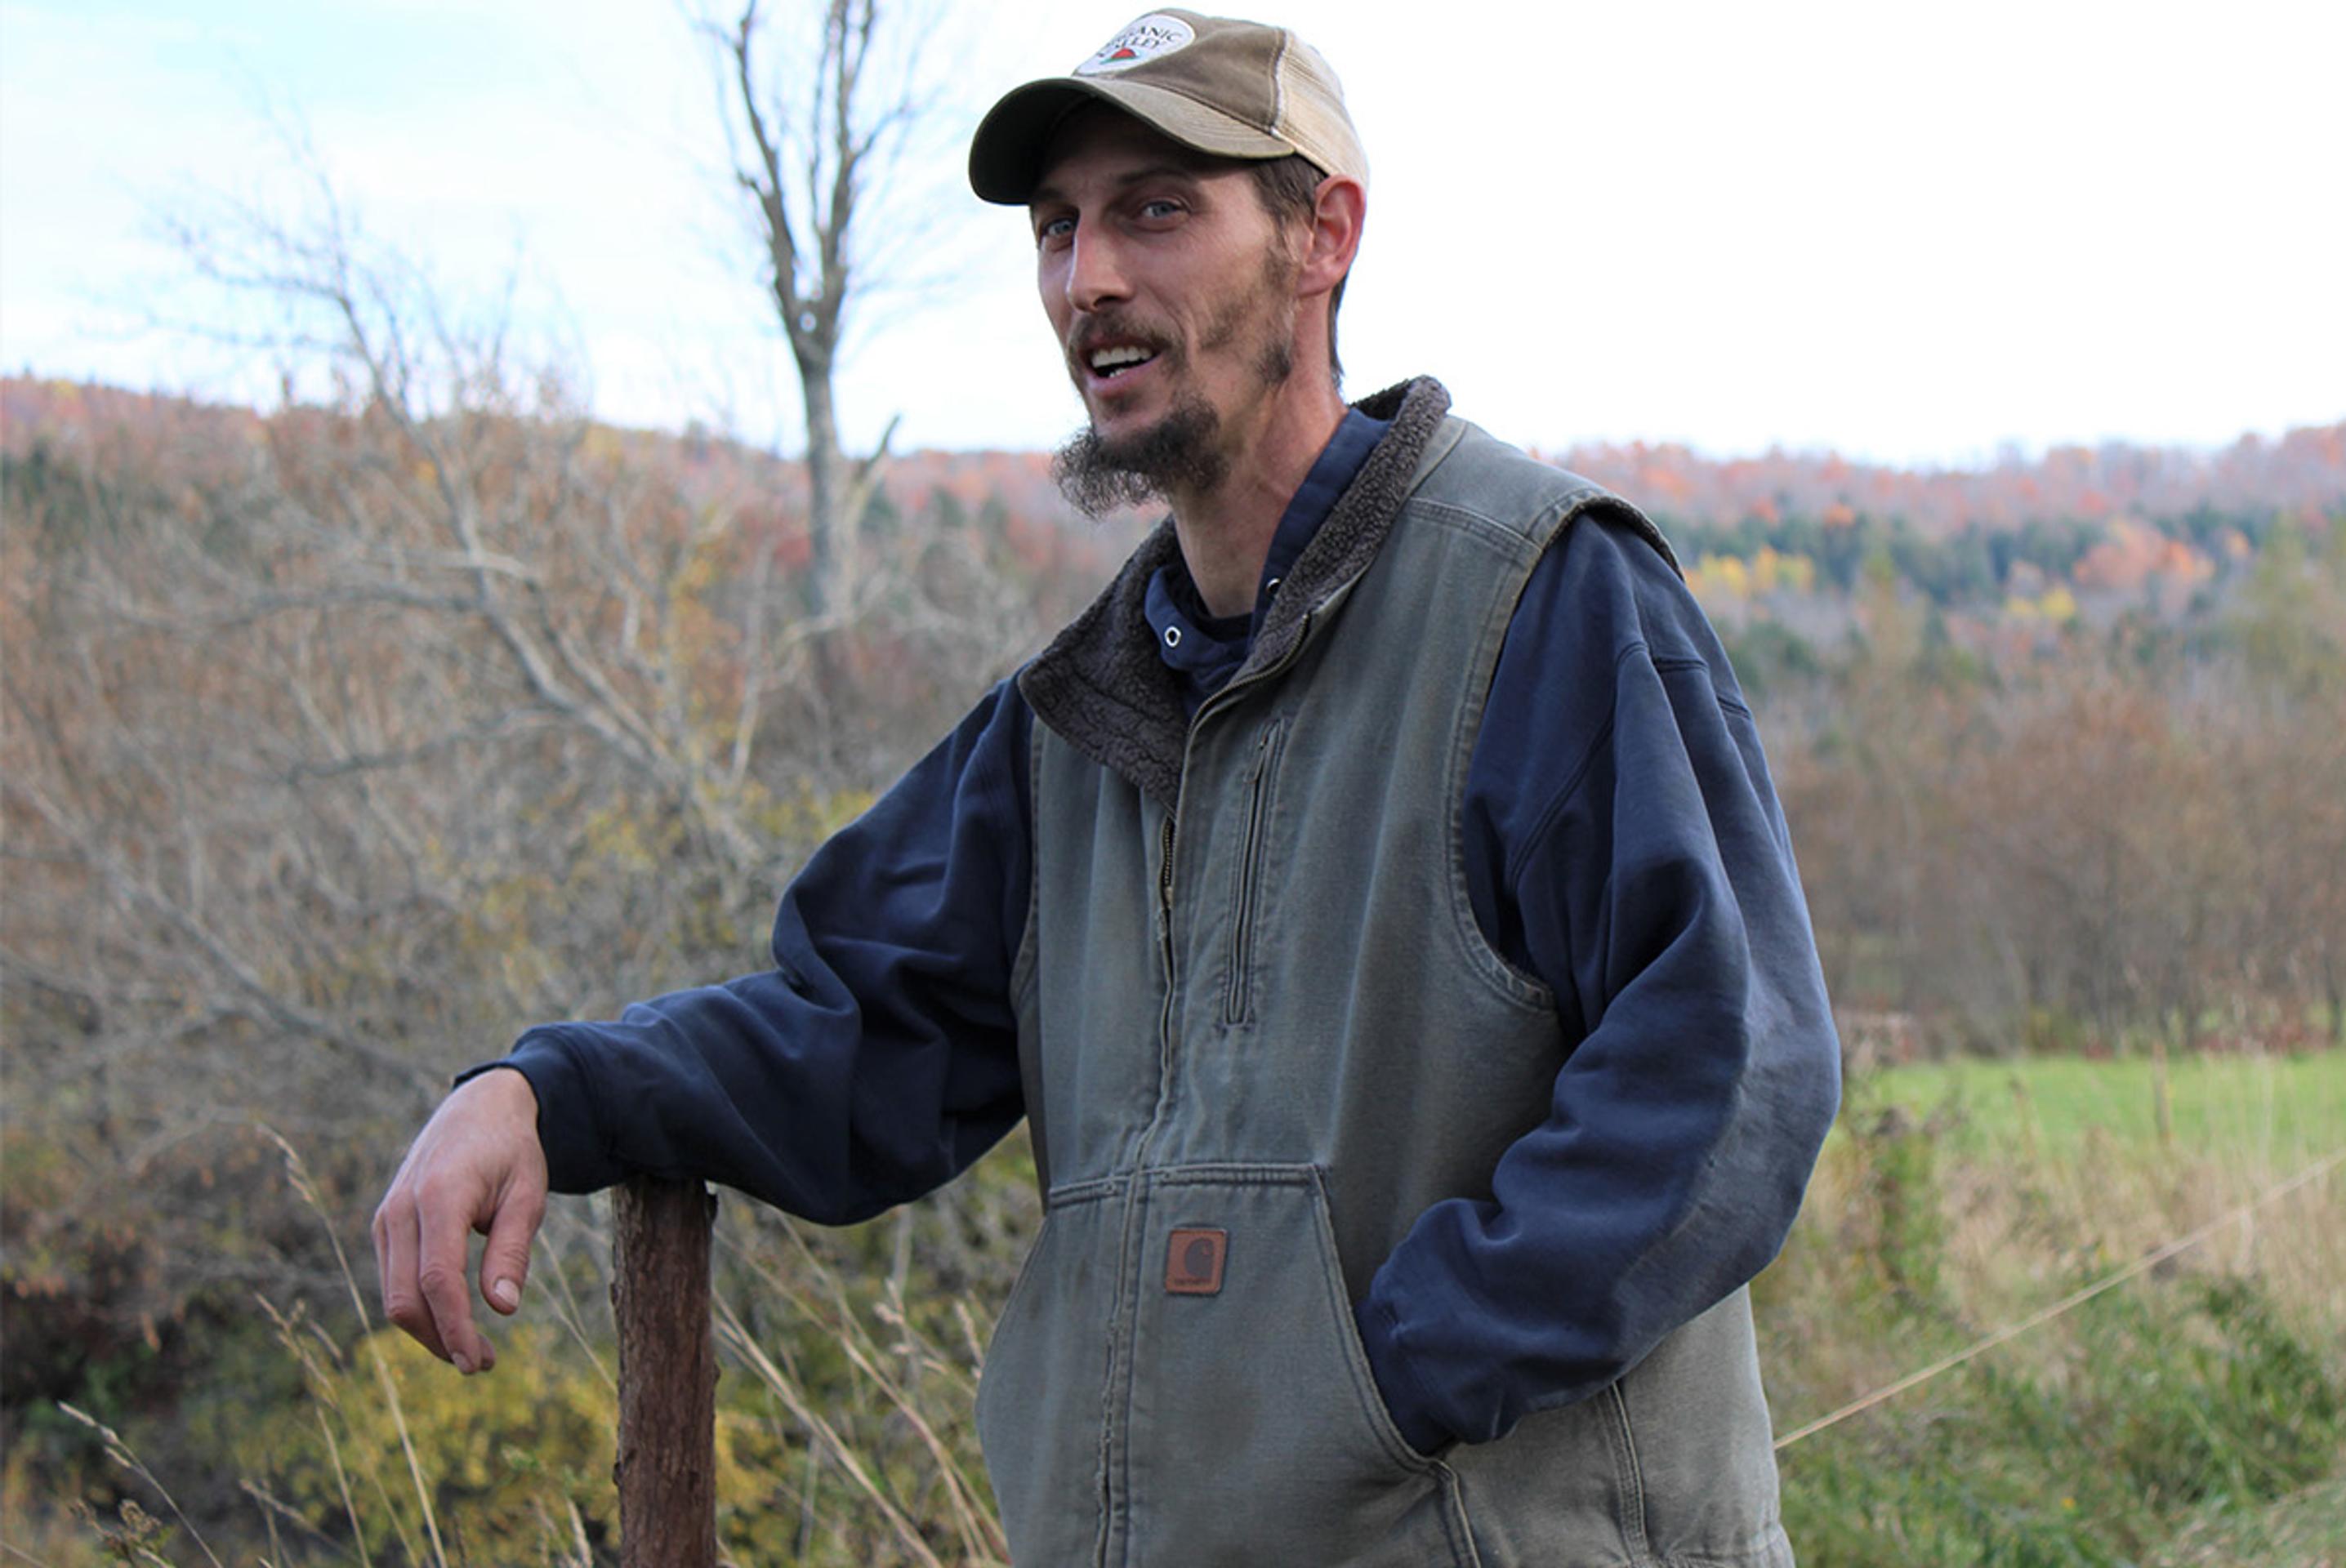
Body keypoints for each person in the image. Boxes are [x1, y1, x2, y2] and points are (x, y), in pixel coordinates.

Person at [371, 9, 1840, 1563]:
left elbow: (1728, 1067)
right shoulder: (1077, 720)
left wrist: (1382, 1375)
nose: (1091, 279)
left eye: (1156, 207)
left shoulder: (1540, 603)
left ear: (1321, 234)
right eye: (1058, 227)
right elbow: (855, 1030)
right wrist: (544, 1090)